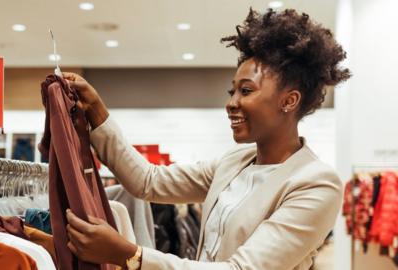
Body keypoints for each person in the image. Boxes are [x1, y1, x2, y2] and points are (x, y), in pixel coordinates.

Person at [62, 8, 351, 270]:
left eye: (246, 91)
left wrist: (132, 255)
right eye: (232, 92)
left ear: (289, 101)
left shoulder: (315, 183)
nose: (232, 102)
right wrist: (98, 114)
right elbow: (148, 181)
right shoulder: (233, 163)